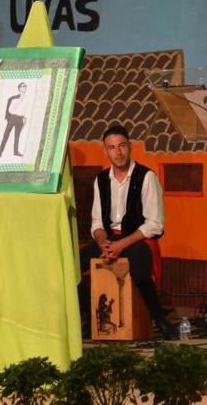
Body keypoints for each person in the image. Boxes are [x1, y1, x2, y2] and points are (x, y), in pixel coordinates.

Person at [78, 124, 177, 340]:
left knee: (140, 269)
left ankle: (159, 318)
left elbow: (154, 224)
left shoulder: (146, 176)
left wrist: (121, 244)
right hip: (110, 238)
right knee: (72, 268)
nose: (118, 152)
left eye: (122, 146)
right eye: (112, 148)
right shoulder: (101, 180)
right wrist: (103, 241)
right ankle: (91, 320)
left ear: (129, 147)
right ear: (106, 151)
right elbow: (97, 223)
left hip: (137, 237)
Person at [0, 82, 28, 159]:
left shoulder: (27, 98)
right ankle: (0, 153)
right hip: (13, 118)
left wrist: (25, 118)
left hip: (20, 119)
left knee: (17, 136)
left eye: (26, 86)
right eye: (23, 86)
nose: (25, 87)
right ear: (19, 88)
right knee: (6, 135)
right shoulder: (14, 98)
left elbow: (26, 109)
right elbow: (10, 110)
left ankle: (16, 152)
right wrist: (19, 102)